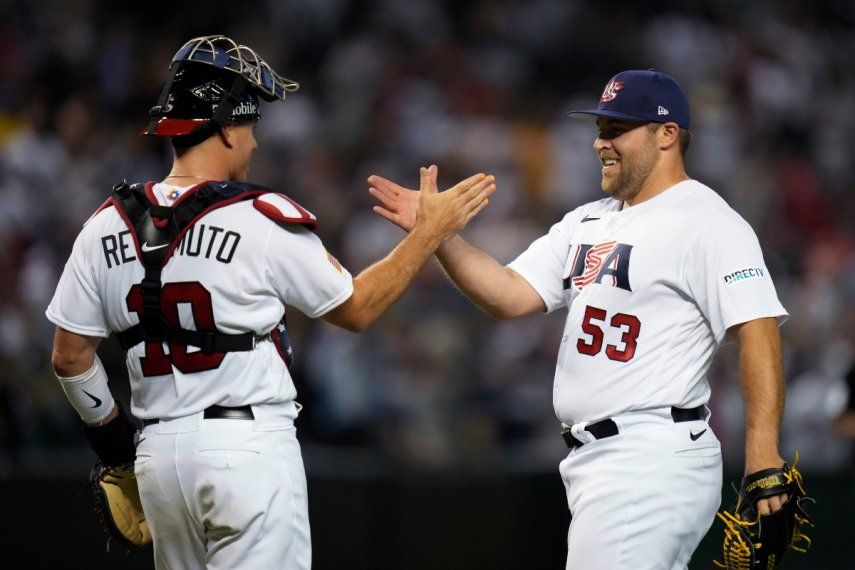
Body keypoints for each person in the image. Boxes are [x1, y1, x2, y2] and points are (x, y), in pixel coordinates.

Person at [46, 35, 493, 569]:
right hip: (245, 450)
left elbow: (70, 357)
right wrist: (428, 234)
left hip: (157, 461)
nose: (254, 142)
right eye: (250, 125)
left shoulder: (104, 225)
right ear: (228, 128)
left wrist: (117, 451)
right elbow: (357, 308)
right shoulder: (258, 216)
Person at [369, 69, 791, 568]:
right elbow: (509, 294)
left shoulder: (709, 222)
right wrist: (438, 236)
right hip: (598, 461)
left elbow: (758, 331)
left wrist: (763, 453)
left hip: (651, 454)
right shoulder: (588, 219)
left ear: (667, 135)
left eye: (617, 129)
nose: (600, 143)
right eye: (599, 129)